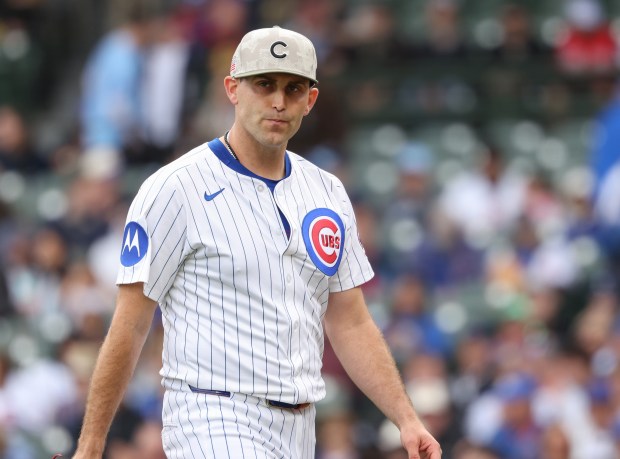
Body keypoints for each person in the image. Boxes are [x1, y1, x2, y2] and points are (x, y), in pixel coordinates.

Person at [71, 26, 441, 459]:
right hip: (211, 413)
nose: (279, 101)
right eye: (263, 84)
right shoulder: (175, 188)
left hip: (301, 424)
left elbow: (350, 320)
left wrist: (406, 417)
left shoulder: (327, 191)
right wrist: (91, 445)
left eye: (293, 87)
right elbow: (131, 323)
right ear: (233, 89)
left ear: (311, 100)